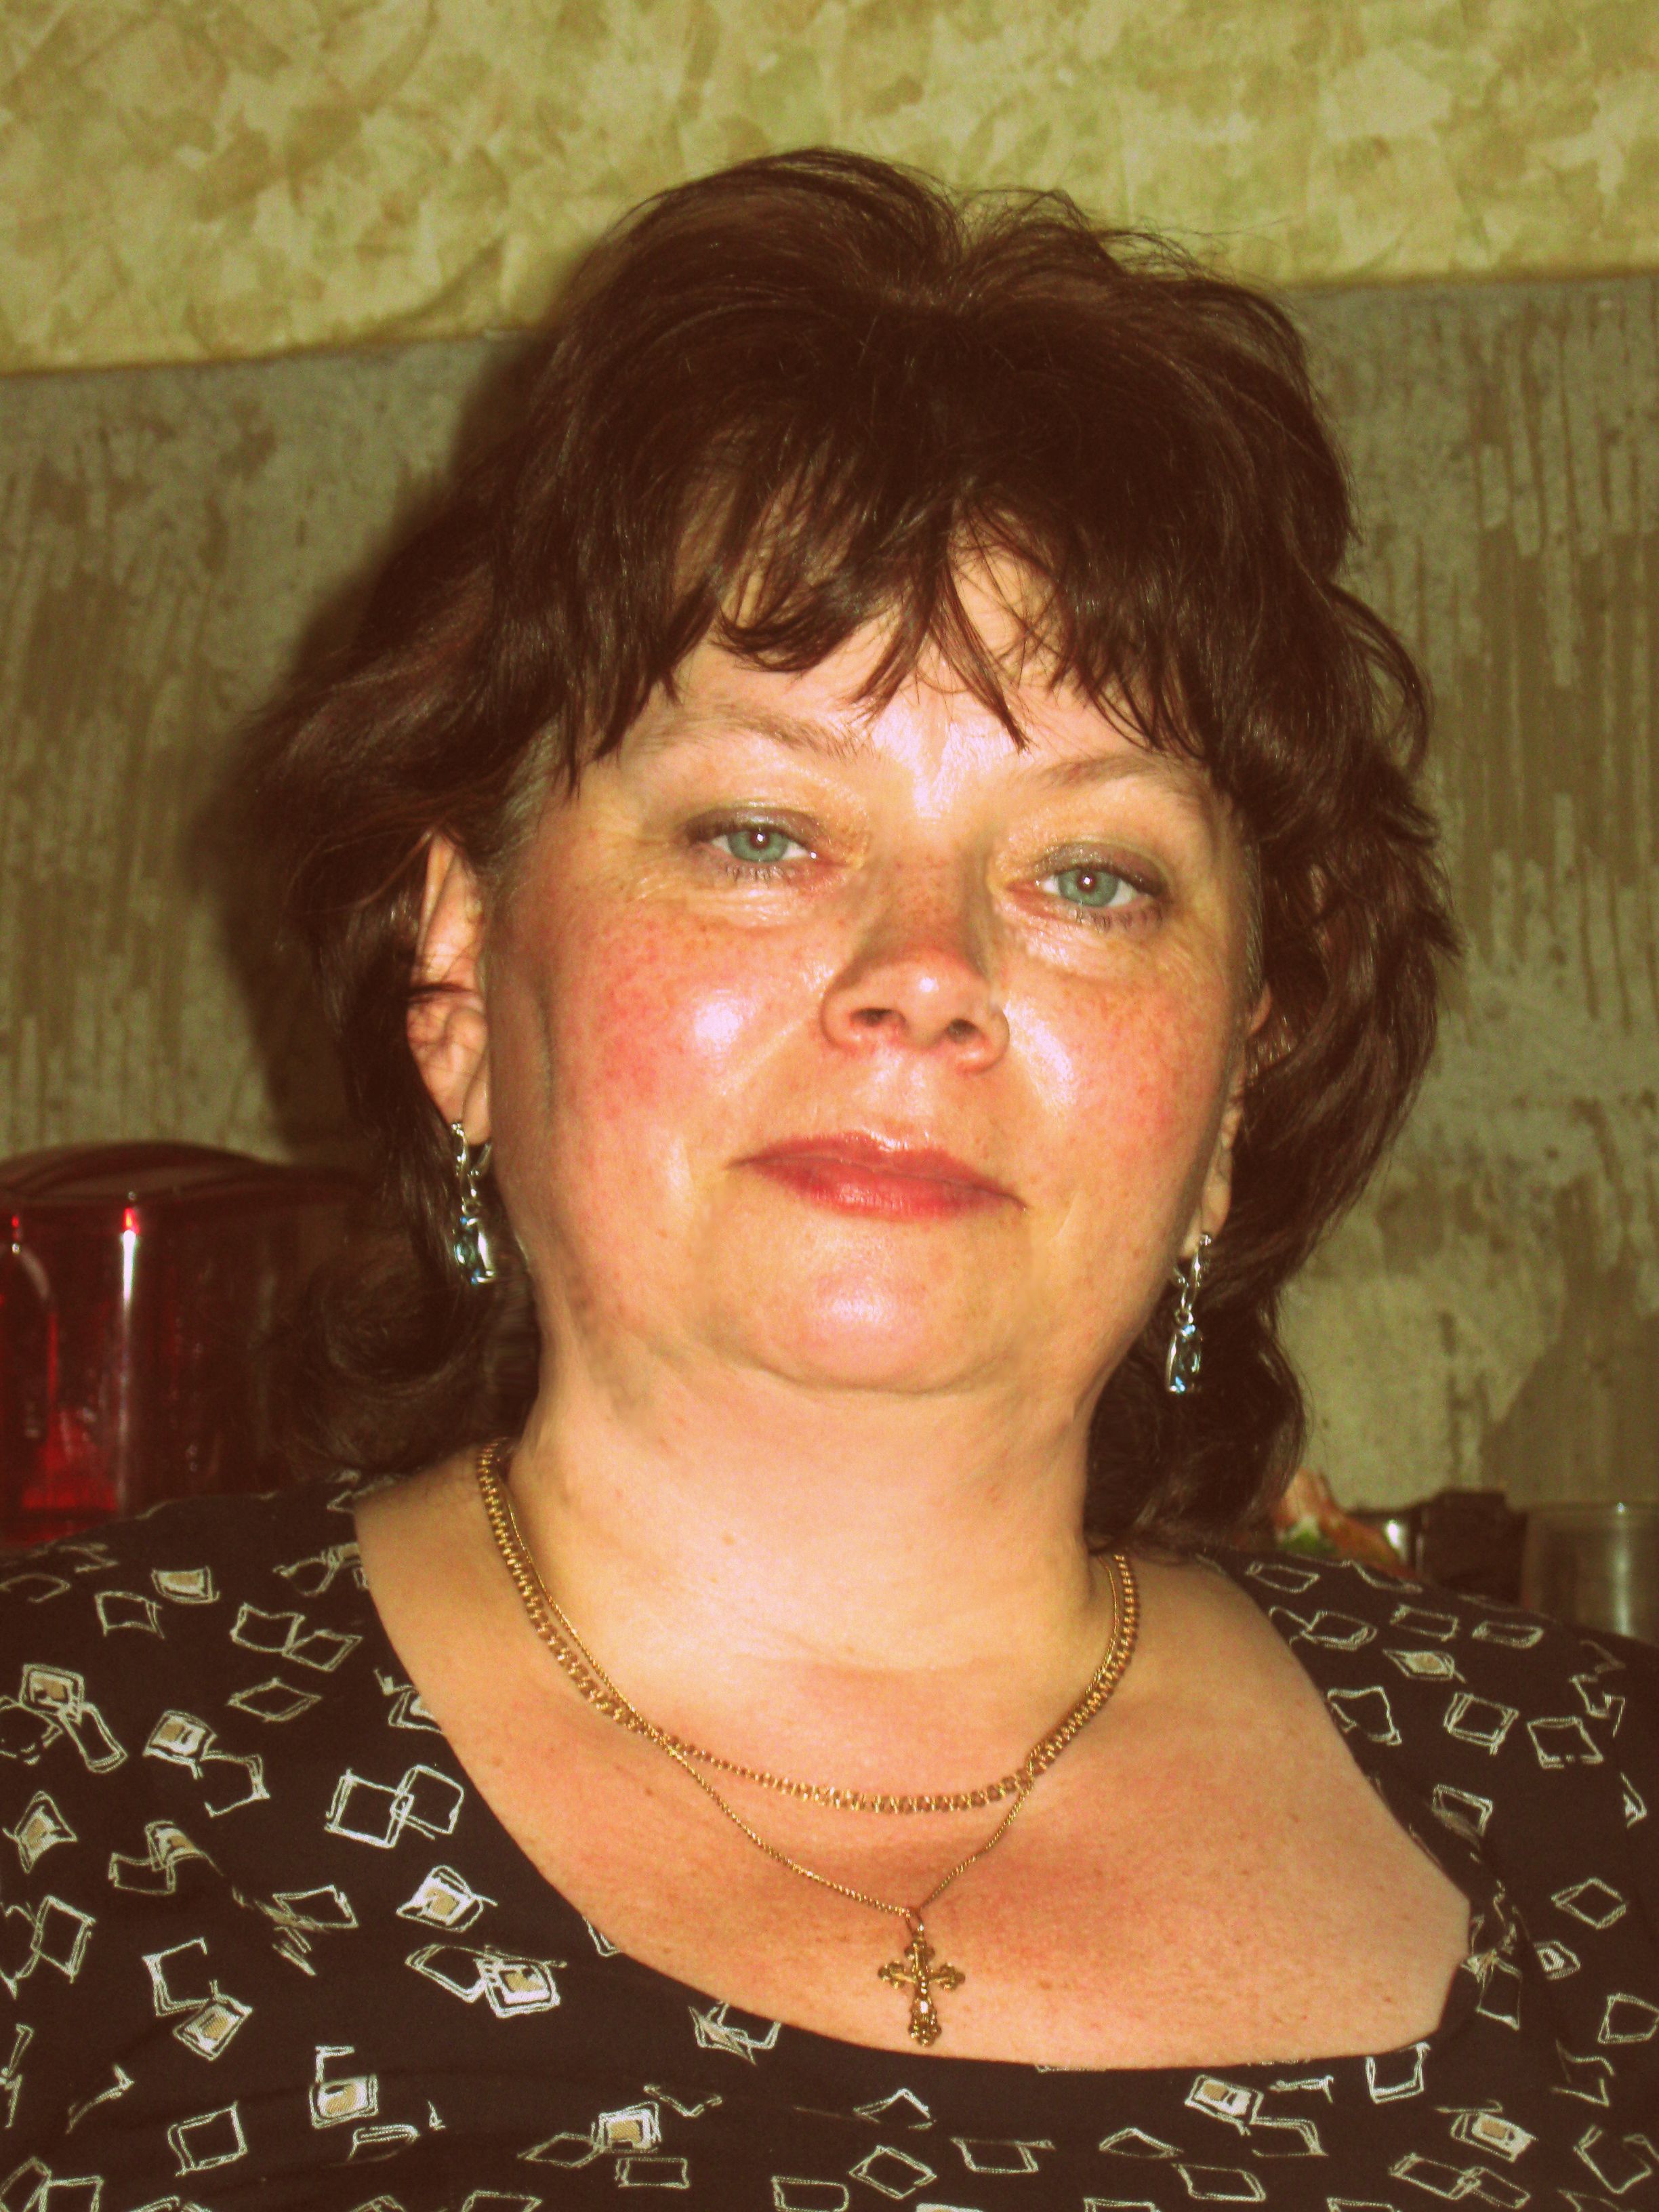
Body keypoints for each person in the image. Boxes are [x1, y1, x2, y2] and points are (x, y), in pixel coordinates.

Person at [3, 150, 1655, 2207]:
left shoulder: (1603, 1799)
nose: (925, 977)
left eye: (1091, 875)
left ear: (1245, 1069)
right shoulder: (61, 1770)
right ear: (458, 971)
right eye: (761, 835)